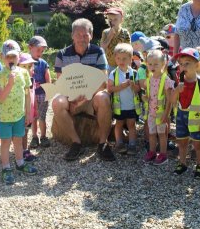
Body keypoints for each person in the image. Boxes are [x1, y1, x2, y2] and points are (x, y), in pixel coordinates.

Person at [52, 18, 115, 162]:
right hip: (71, 97)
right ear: (72, 35)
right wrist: (73, 99)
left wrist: (85, 98)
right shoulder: (62, 54)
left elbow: (103, 81)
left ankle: (103, 143)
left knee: (104, 97)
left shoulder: (98, 52)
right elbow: (62, 82)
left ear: (91, 36)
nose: (82, 38)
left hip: (90, 97)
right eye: (78, 34)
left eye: (85, 35)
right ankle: (76, 142)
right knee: (57, 102)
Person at [0, 40, 38, 185]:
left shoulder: (24, 73)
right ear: (2, 56)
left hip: (19, 115)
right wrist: (10, 83)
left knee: (18, 140)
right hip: (4, 117)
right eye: (8, 57)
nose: (11, 60)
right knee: (5, 142)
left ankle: (20, 163)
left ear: (19, 56)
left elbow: (27, 94)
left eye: (14, 56)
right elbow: (0, 97)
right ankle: (6, 168)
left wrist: (28, 112)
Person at [168, 48, 200, 178]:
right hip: (181, 116)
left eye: (187, 63)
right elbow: (172, 101)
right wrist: (176, 91)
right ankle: (182, 163)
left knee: (197, 143)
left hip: (196, 118)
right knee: (182, 142)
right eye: (181, 64)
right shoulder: (179, 81)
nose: (183, 66)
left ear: (197, 65)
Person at [107, 43, 141, 156]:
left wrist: (133, 86)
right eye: (118, 58)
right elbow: (110, 89)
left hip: (131, 106)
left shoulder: (134, 73)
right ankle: (119, 143)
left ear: (131, 59)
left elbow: (138, 90)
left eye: (124, 58)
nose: (121, 61)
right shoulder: (113, 73)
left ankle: (132, 144)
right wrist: (121, 87)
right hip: (119, 106)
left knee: (132, 124)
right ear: (115, 59)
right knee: (119, 124)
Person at [142, 50, 174, 165]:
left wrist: (166, 115)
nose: (152, 67)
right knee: (151, 133)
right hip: (151, 113)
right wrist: (145, 97)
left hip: (161, 113)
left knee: (162, 134)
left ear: (163, 64)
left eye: (156, 64)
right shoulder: (149, 78)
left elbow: (169, 100)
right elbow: (150, 94)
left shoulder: (166, 80)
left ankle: (163, 154)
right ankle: (152, 152)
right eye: (150, 64)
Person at [28, 36, 51, 149]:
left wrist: (48, 90)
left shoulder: (43, 63)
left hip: (42, 94)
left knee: (42, 116)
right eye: (38, 50)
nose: (40, 53)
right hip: (31, 95)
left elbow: (48, 78)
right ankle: (34, 137)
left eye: (42, 51)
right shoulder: (26, 63)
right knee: (33, 117)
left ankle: (43, 136)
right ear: (30, 48)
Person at [17, 52, 37, 162]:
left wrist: (35, 110)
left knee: (26, 132)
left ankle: (22, 149)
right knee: (21, 133)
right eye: (24, 67)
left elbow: (33, 97)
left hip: (30, 112)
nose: (28, 69)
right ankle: (23, 150)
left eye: (30, 66)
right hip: (22, 113)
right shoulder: (19, 83)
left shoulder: (32, 80)